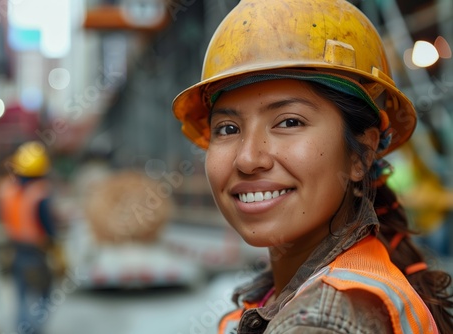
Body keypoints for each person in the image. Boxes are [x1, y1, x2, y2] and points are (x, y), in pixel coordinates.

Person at [171, 0, 453, 333]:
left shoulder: (321, 321)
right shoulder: (321, 287)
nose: (248, 159)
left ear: (360, 152)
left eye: (289, 122)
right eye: (228, 129)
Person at [0, 141, 57, 334]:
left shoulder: (6, 189)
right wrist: (55, 246)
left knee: (21, 292)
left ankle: (23, 327)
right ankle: (34, 329)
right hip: (35, 250)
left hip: (14, 248)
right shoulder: (39, 194)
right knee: (42, 291)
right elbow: (47, 225)